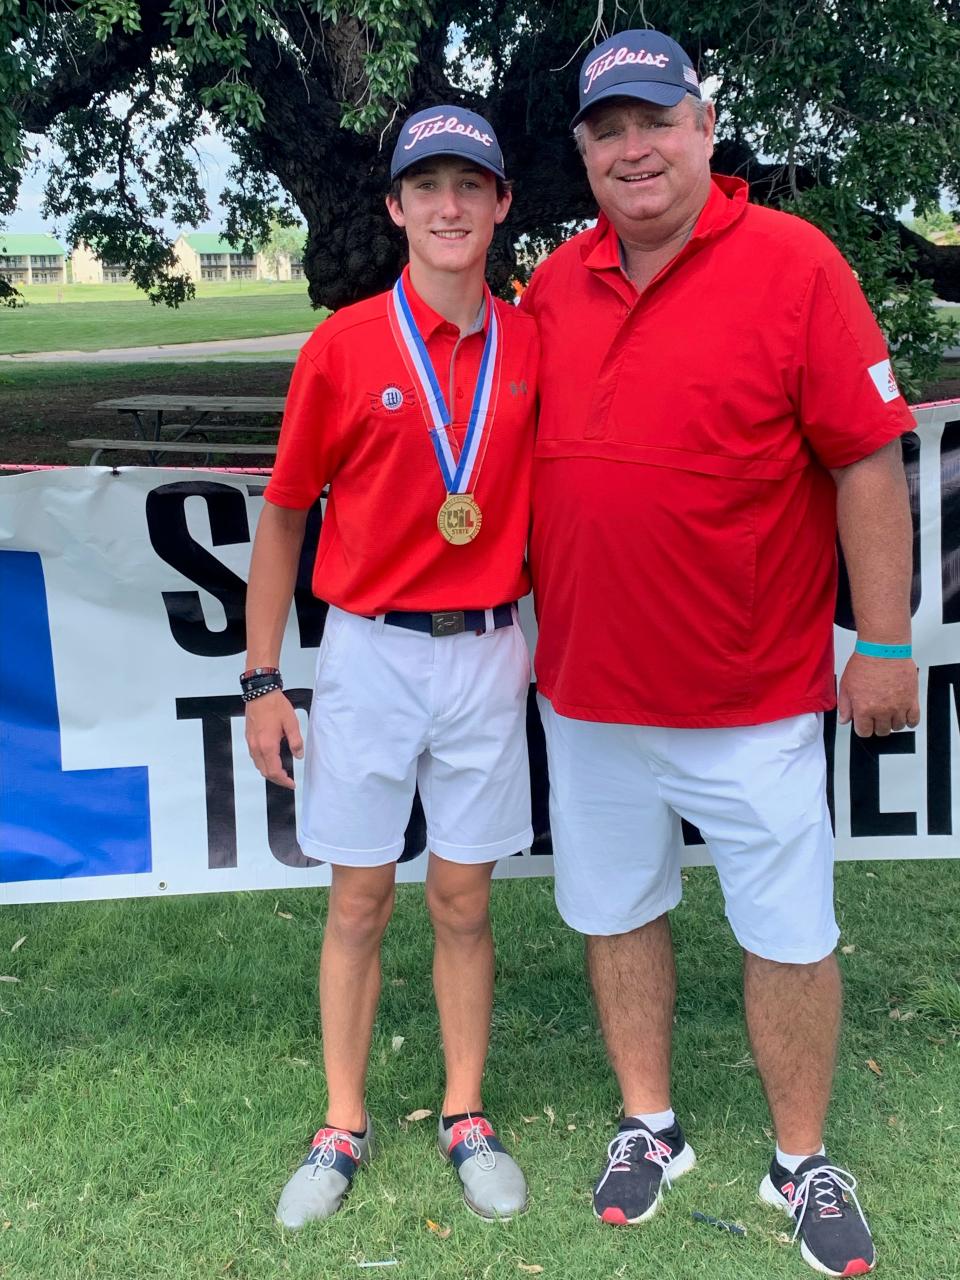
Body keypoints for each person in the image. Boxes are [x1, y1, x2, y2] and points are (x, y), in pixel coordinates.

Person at [521, 28, 919, 1278]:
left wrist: (888, 638)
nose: (632, 148)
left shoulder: (797, 264)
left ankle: (801, 1159)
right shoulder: (553, 282)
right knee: (615, 909)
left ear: (703, 127)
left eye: (655, 120)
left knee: (789, 931)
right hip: (588, 692)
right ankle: (652, 1124)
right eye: (606, 129)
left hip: (750, 693)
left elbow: (865, 459)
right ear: (583, 151)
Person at [243, 104, 537, 1228]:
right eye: (428, 188)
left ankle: (466, 1110)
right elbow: (280, 518)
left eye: (471, 186)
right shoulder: (346, 344)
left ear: (503, 203)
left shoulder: (531, 342)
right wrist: (263, 677)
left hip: (489, 646)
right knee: (359, 897)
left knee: (463, 898)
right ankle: (343, 1119)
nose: (450, 207)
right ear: (396, 207)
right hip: (368, 649)